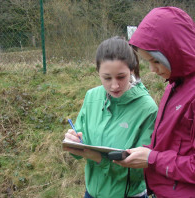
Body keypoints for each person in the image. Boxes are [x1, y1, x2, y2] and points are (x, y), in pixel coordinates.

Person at [114, 7, 195, 198]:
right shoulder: (175, 83)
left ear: (175, 52)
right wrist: (145, 152)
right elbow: (174, 145)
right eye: (147, 61)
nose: (152, 69)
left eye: (156, 61)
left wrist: (152, 158)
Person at [63, 36, 158, 198]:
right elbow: (79, 146)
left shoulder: (147, 109)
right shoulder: (91, 97)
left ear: (132, 70)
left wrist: (99, 159)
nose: (114, 86)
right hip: (91, 193)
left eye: (121, 77)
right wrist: (74, 142)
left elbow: (142, 172)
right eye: (107, 78)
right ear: (97, 73)